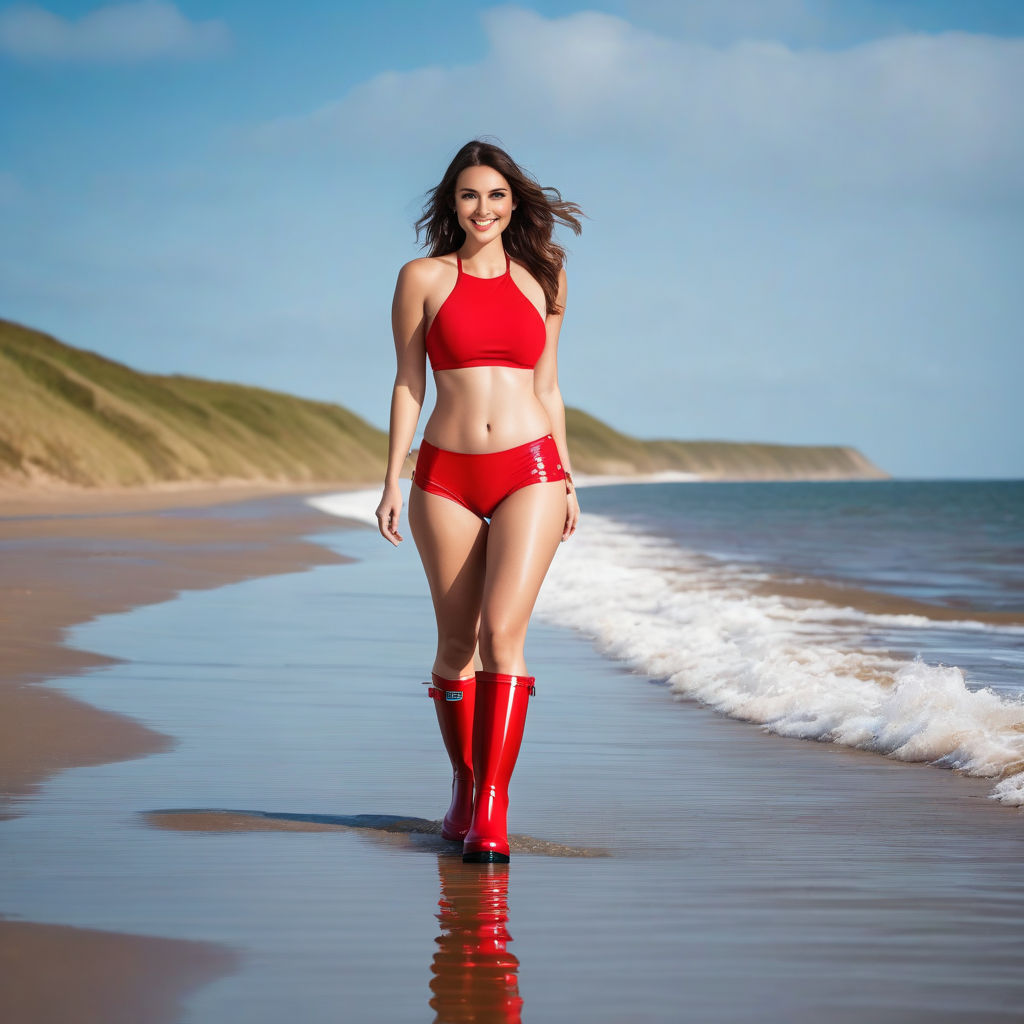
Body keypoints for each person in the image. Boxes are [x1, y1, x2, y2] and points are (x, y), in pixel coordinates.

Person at [375, 140, 583, 863]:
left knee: (503, 635)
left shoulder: (546, 277)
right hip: (445, 477)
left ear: (514, 203)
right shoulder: (424, 277)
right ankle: (465, 786)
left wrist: (567, 476)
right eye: (469, 196)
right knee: (457, 645)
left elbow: (548, 386)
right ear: (452, 205)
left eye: (496, 195)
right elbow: (410, 382)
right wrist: (392, 478)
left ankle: (490, 811)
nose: (484, 208)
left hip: (530, 467)